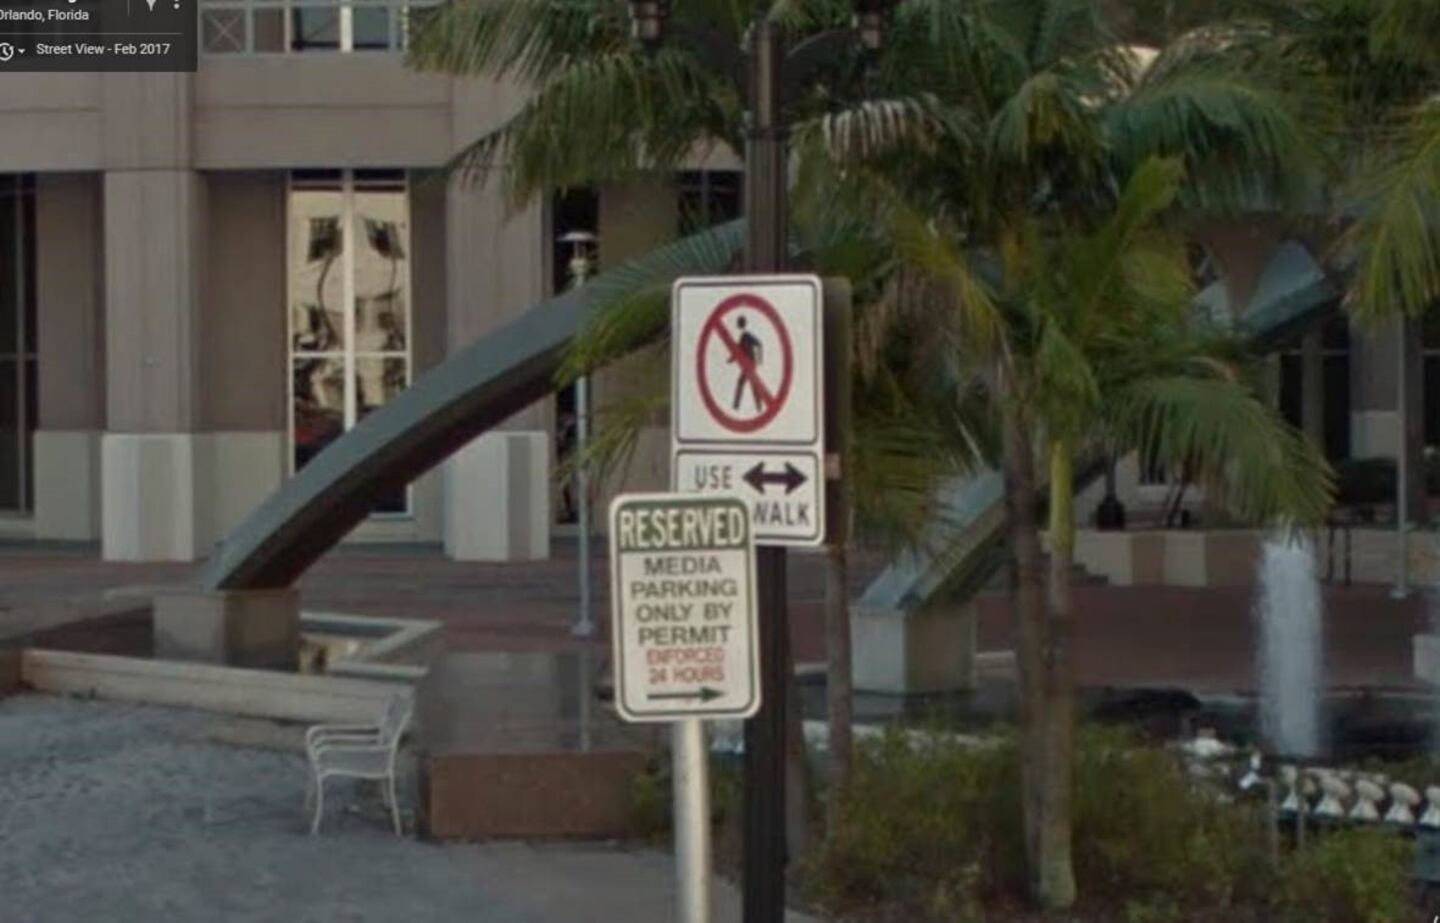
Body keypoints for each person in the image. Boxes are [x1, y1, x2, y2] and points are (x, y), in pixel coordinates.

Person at [729, 316, 765, 412]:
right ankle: (758, 407)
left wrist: (759, 360)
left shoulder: (746, 336)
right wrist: (731, 359)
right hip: (748, 364)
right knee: (751, 384)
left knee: (744, 383)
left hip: (750, 364)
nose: (737, 325)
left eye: (739, 323)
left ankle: (736, 406)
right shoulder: (743, 336)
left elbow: (759, 344)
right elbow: (739, 351)